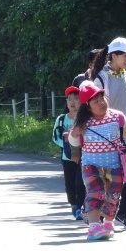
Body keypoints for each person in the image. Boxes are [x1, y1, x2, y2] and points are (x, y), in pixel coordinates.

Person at [69, 81, 126, 241]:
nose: (101, 103)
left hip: (114, 165)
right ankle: (94, 227)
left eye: (102, 98)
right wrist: (75, 133)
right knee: (95, 193)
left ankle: (108, 224)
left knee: (113, 195)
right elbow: (74, 143)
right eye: (96, 101)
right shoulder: (83, 123)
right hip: (90, 165)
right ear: (87, 106)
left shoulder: (118, 117)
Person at [90, 37, 126, 229]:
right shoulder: (101, 77)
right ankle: (103, 214)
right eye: (124, 55)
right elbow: (98, 106)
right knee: (107, 177)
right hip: (106, 133)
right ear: (113, 55)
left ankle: (124, 212)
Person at [51, 86, 86, 219]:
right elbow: (55, 136)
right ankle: (73, 203)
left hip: (83, 156)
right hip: (67, 157)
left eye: (76, 99)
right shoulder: (61, 119)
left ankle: (80, 208)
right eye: (70, 99)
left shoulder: (85, 119)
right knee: (69, 183)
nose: (72, 102)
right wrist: (67, 146)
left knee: (80, 182)